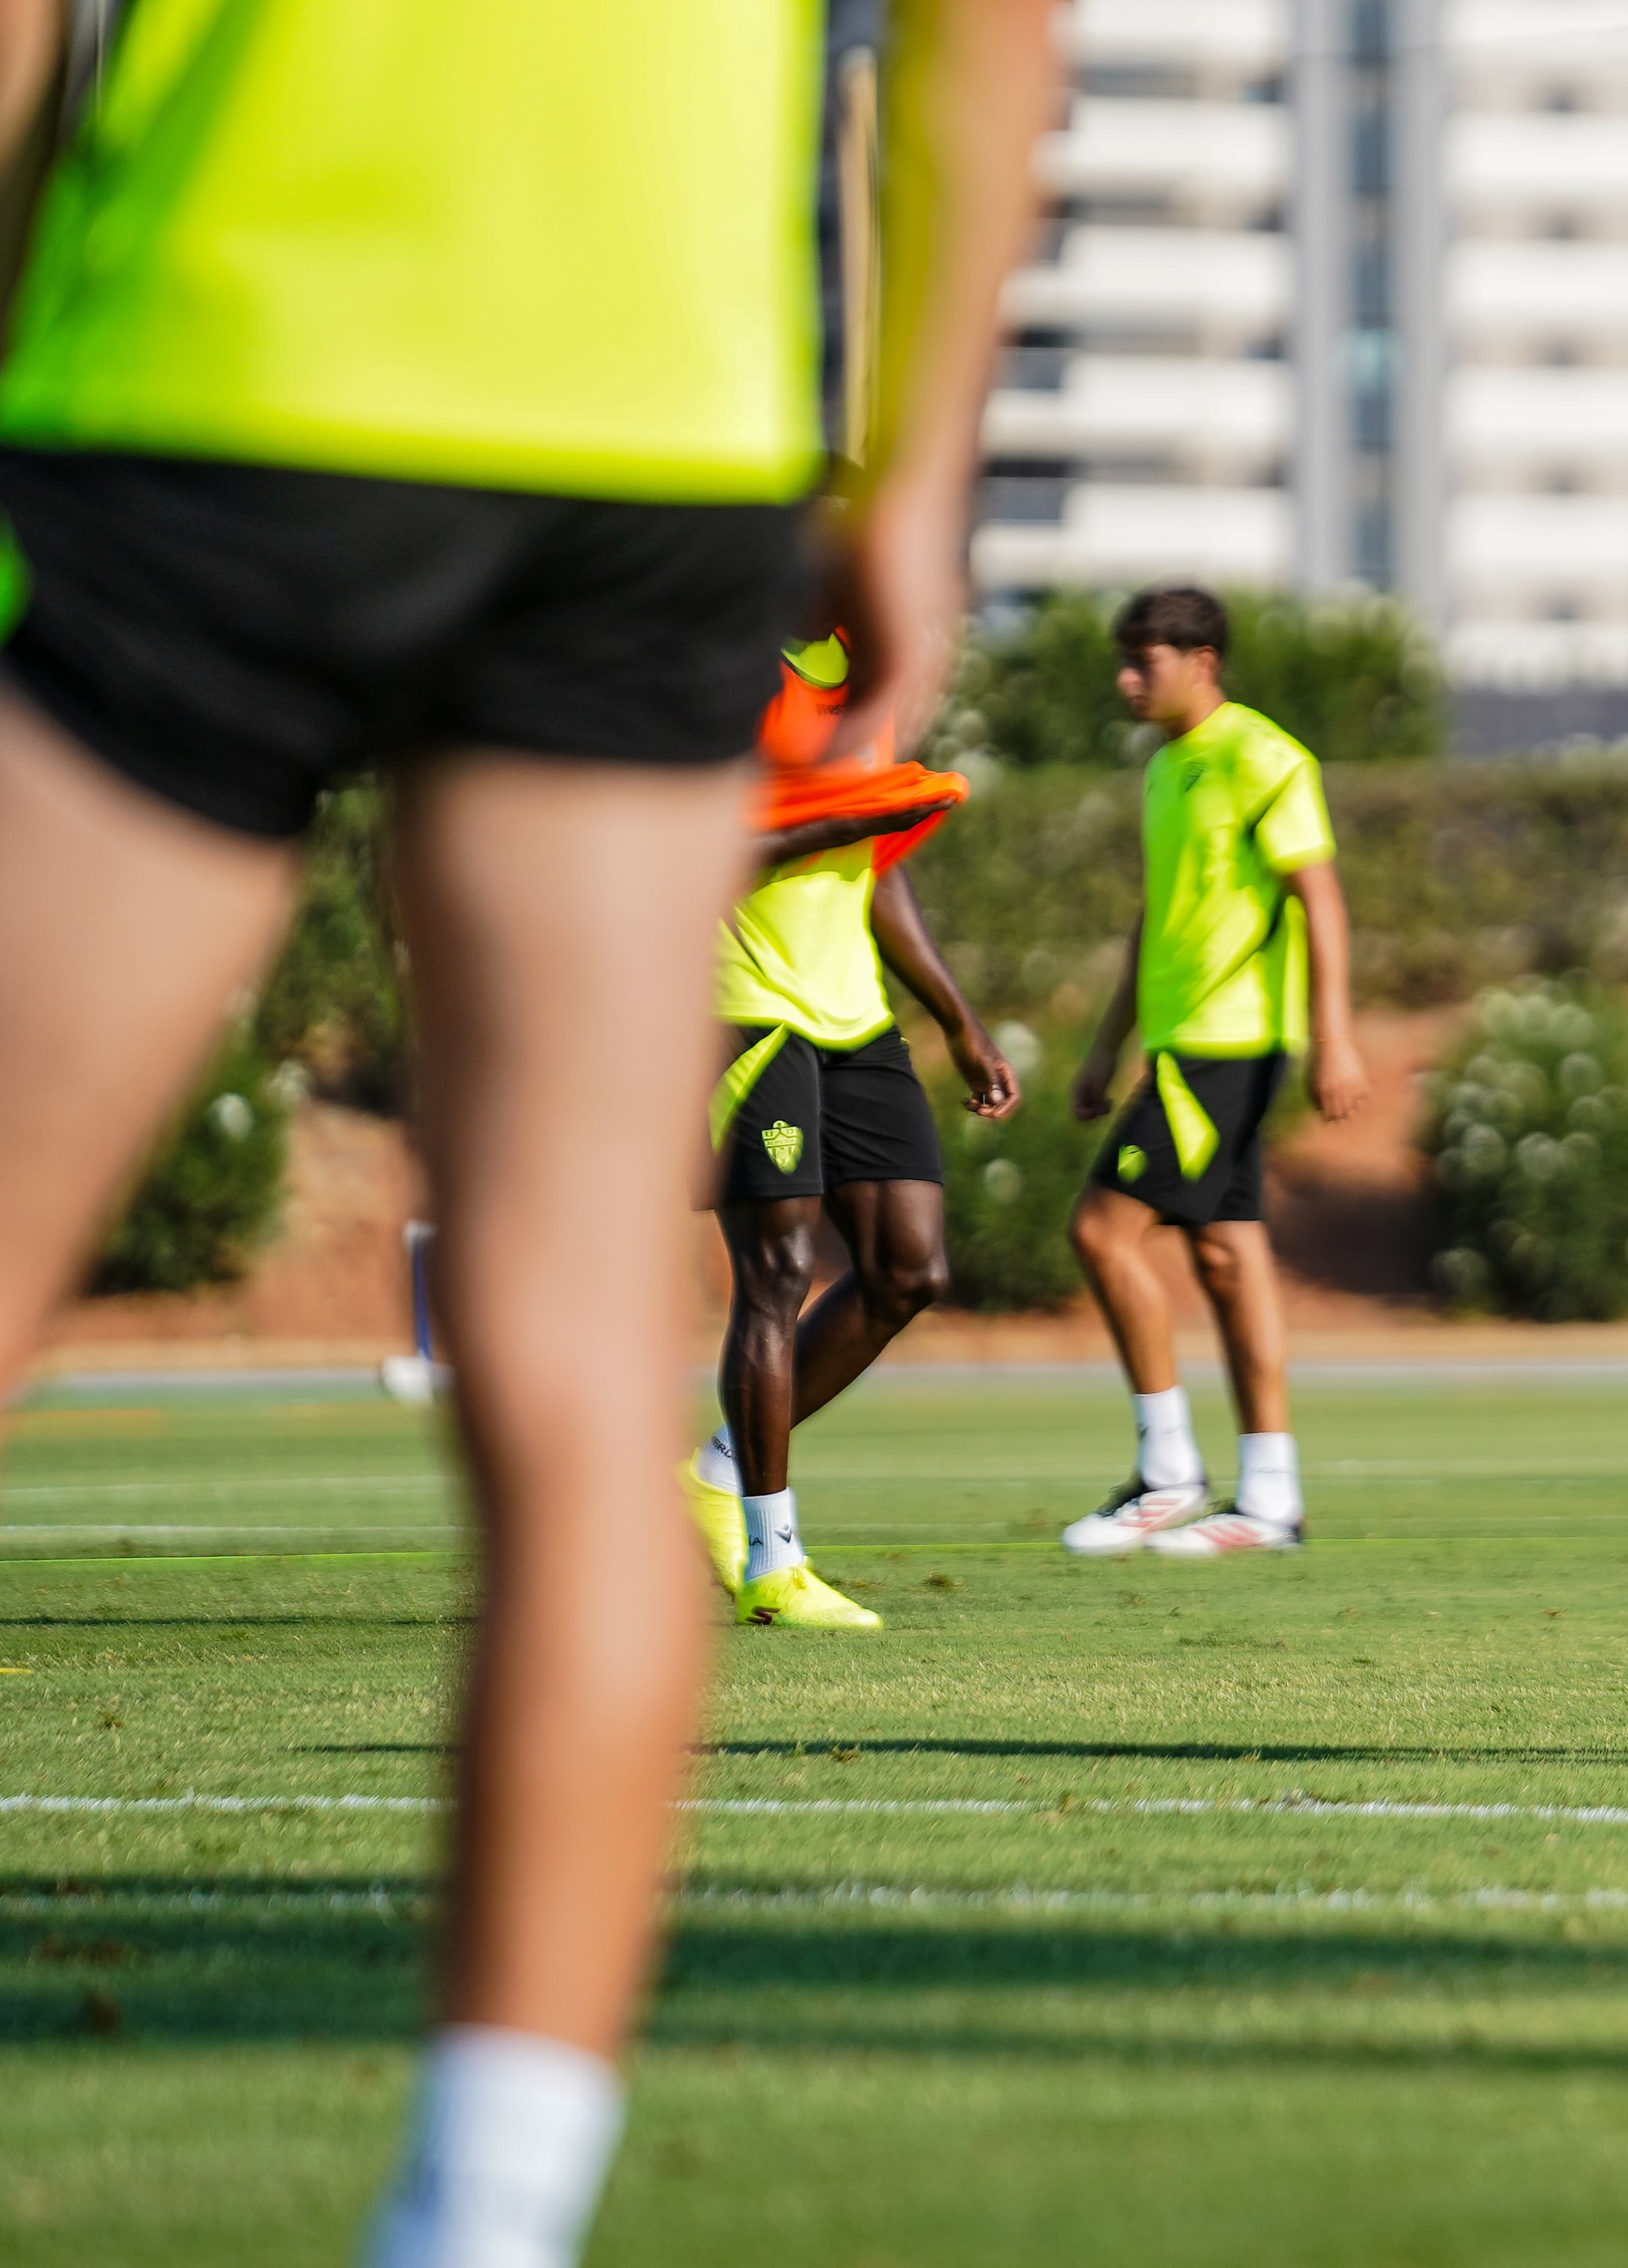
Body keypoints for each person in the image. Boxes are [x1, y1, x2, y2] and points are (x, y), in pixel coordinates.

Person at [0, 7, 1050, 2265]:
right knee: (577, 1373)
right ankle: (481, 2223)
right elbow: (981, 42)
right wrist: (915, 477)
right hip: (646, 429)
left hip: (213, 363)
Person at [682, 635, 1019, 1631]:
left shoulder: (868, 680)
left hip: (854, 1020)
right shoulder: (732, 664)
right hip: (747, 1013)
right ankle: (772, 1561)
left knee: (908, 1269)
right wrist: (847, 814)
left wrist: (957, 1018)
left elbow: (875, 866)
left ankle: (712, 1472)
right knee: (777, 1269)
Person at [1060, 586, 1370, 1558]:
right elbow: (1157, 920)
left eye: (1141, 661)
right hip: (1178, 1042)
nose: (1125, 678)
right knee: (1228, 1258)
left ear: (1202, 662)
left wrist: (1336, 1035)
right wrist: (1109, 1045)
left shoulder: (1264, 757)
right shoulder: (1166, 768)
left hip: (1227, 1043)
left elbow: (1319, 900)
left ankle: (1167, 1472)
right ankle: (1270, 1494)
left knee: (1103, 1233)